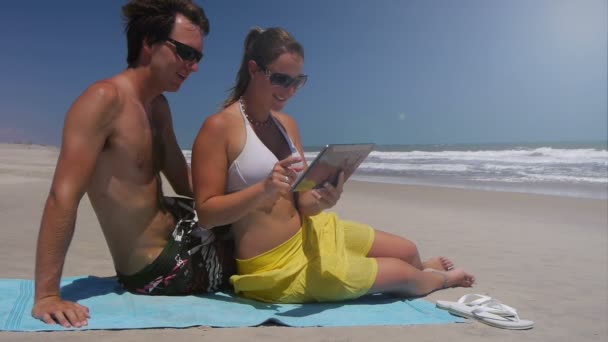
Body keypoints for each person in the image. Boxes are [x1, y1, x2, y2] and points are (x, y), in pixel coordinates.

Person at [192, 27, 475, 304]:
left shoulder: (287, 124)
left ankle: (422, 266)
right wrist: (262, 190)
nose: (289, 91)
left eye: (296, 81)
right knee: (404, 274)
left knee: (409, 251)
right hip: (276, 267)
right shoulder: (219, 128)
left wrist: (323, 199)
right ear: (254, 69)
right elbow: (206, 213)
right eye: (280, 79)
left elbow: (303, 204)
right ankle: (443, 279)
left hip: (312, 232)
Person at [32, 0, 234, 328]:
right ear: (149, 43)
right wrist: (47, 296)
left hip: (180, 232)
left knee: (257, 220)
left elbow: (185, 185)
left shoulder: (158, 107)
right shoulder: (103, 101)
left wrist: (243, 201)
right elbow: (63, 197)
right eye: (186, 52)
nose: (193, 66)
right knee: (256, 251)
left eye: (198, 57)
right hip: (158, 268)